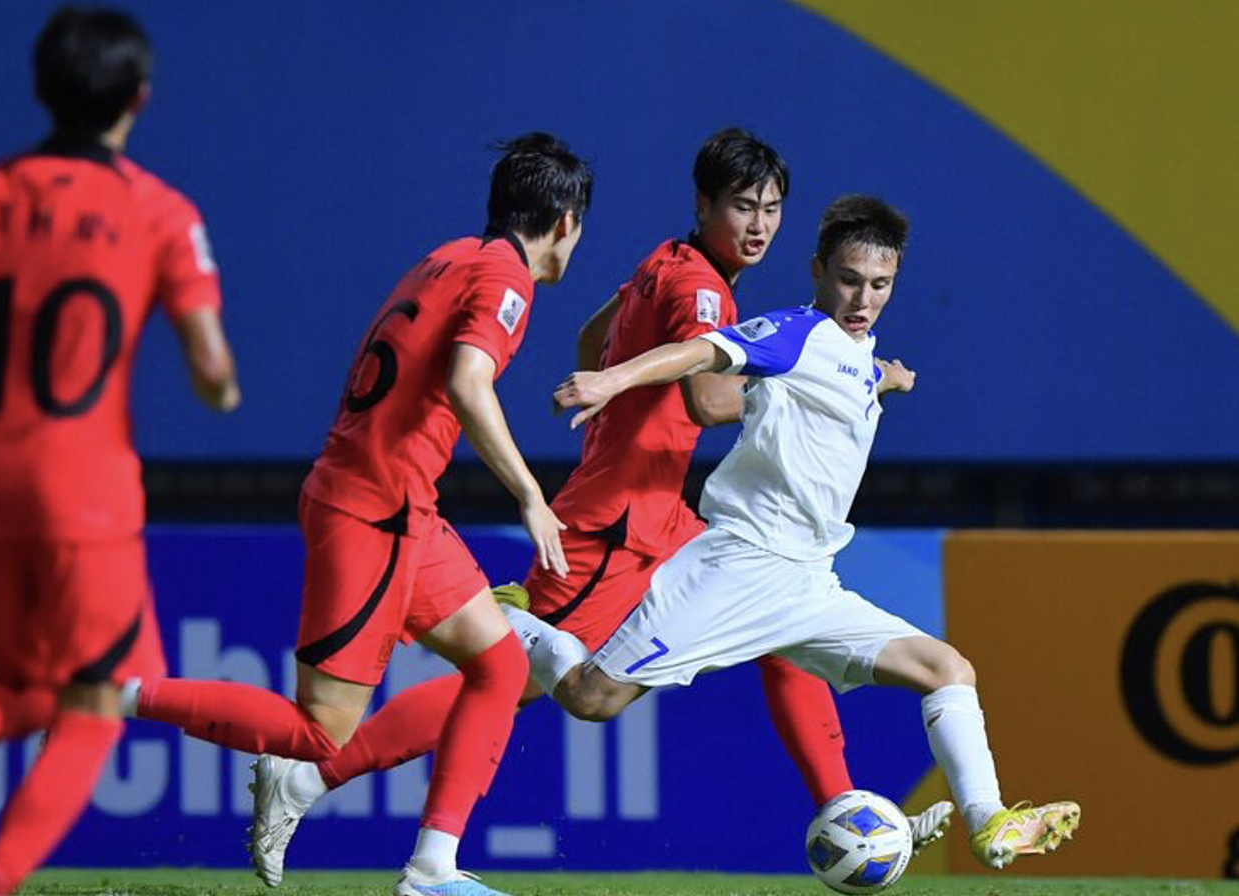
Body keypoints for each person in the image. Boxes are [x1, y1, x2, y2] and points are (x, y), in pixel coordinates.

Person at [241, 128, 950, 887]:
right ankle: (316, 779)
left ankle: (847, 813)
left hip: (663, 516)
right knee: (507, 679)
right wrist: (832, 379)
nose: (759, 226)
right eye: (742, 207)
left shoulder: (667, 262)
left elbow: (592, 336)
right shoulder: (704, 289)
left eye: (772, 209)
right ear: (703, 204)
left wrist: (615, 395)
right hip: (614, 526)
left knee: (783, 624)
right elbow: (711, 397)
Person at [522, 194, 1081, 870]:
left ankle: (989, 822)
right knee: (590, 699)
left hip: (811, 582)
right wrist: (612, 378)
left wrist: (889, 380)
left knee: (948, 669)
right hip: (737, 566)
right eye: (848, 279)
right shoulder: (794, 334)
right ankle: (512, 625)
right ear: (818, 270)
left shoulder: (859, 353)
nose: (862, 298)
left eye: (879, 285)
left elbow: (858, 375)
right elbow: (700, 350)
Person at [125, 132, 592, 896]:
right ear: (567, 222)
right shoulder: (509, 278)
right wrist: (531, 496)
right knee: (319, 731)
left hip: (395, 500)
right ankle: (110, 694)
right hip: (376, 510)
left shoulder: (450, 255)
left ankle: (431, 871)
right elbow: (471, 384)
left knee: (501, 665)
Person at [0, 7, 241, 896]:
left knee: (24, 688)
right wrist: (223, 391)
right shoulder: (158, 211)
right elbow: (209, 368)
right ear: (139, 98)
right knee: (100, 706)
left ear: (44, 89)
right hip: (85, 490)